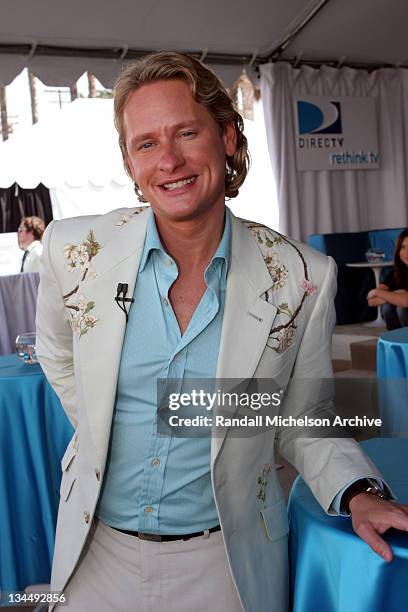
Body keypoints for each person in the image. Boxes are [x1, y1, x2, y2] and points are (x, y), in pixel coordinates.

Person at [36, 52, 408, 612]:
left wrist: (358, 491)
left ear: (228, 137)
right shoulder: (73, 253)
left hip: (225, 565)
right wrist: (102, 421)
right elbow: (57, 352)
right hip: (94, 557)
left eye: (187, 132)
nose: (169, 161)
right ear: (130, 162)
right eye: (146, 144)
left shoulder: (301, 279)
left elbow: (299, 419)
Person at [367, 229, 408, 329]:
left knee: (401, 309)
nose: (406, 252)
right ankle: (396, 341)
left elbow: (406, 302)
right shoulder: (397, 272)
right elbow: (372, 301)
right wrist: (399, 294)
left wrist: (379, 293)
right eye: (403, 247)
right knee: (387, 307)